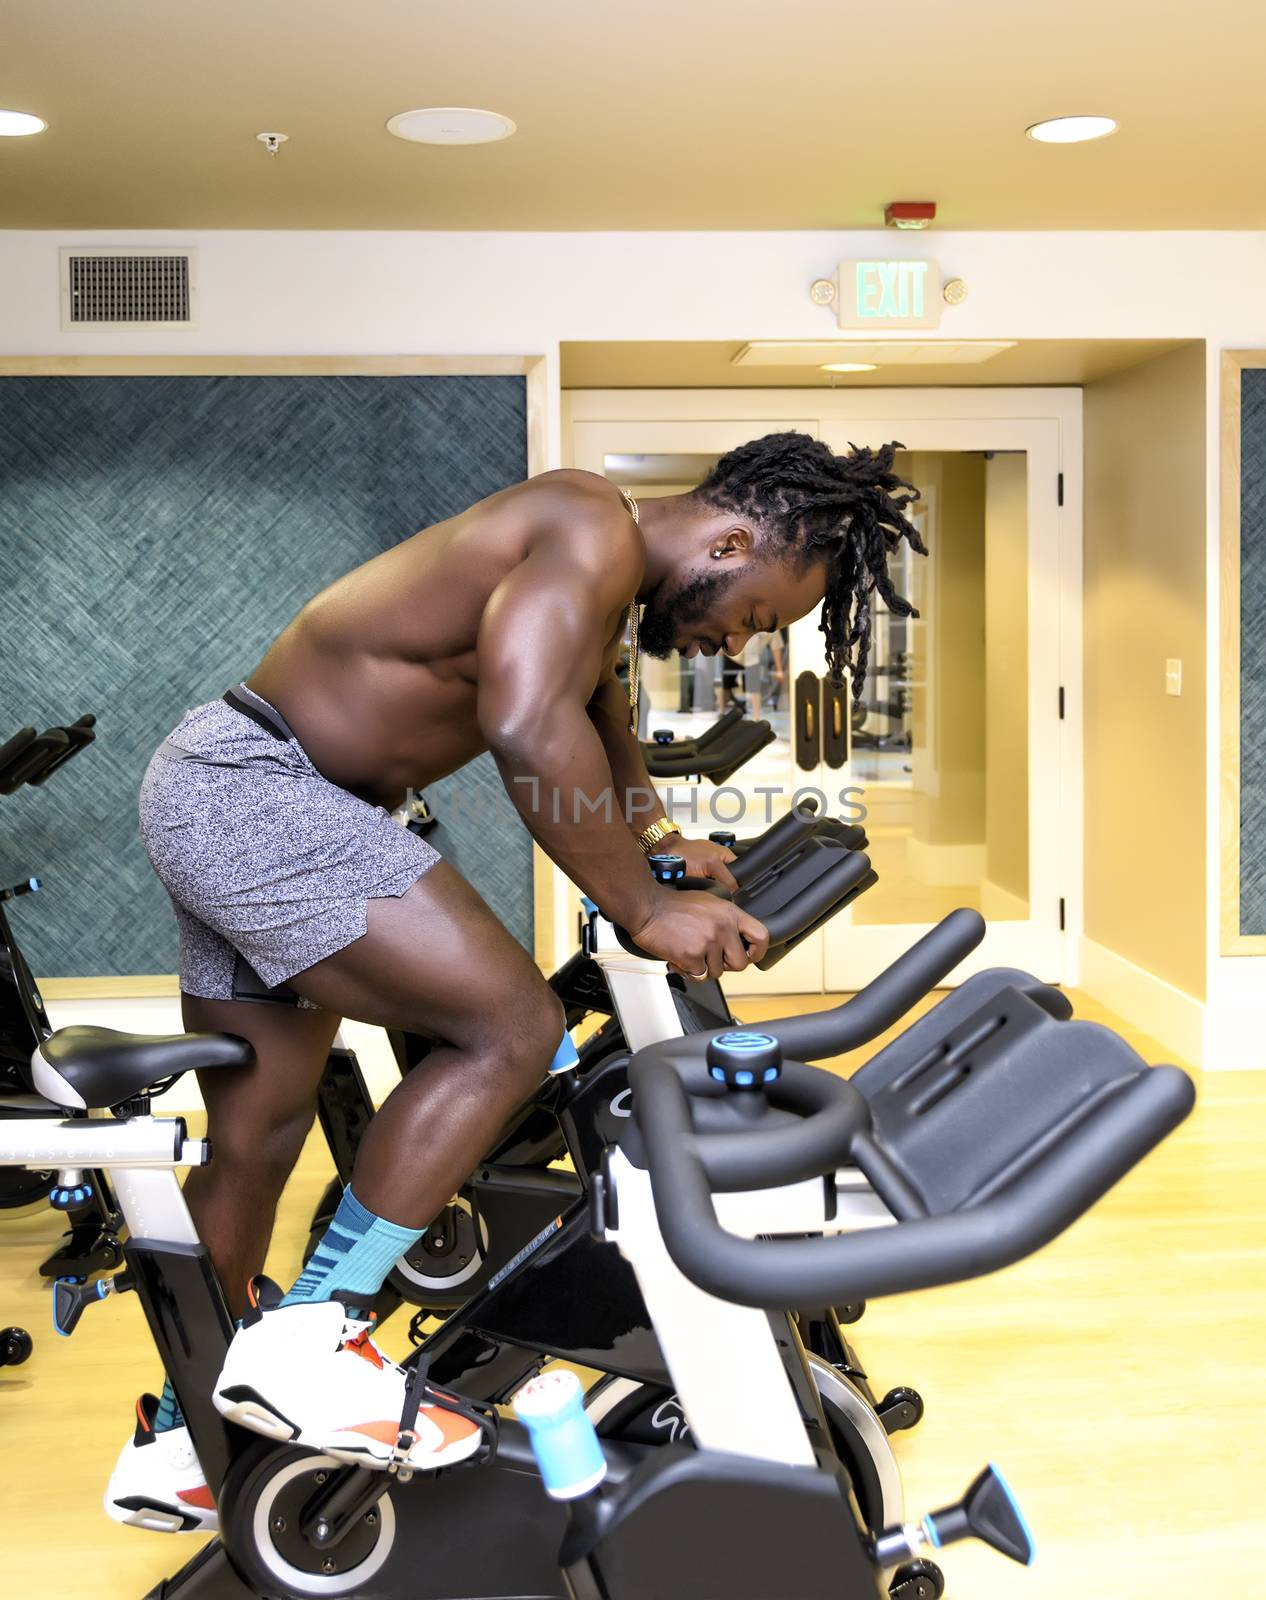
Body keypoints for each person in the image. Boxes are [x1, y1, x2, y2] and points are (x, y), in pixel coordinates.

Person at [106, 431, 924, 1530]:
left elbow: (600, 727)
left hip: (229, 784)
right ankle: (313, 1335)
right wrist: (644, 906)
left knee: (258, 1132)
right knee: (510, 1025)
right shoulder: (587, 522)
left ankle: (181, 1437)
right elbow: (527, 721)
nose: (740, 640)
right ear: (731, 540)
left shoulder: (600, 581)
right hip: (268, 792)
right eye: (760, 613)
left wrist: (660, 846)